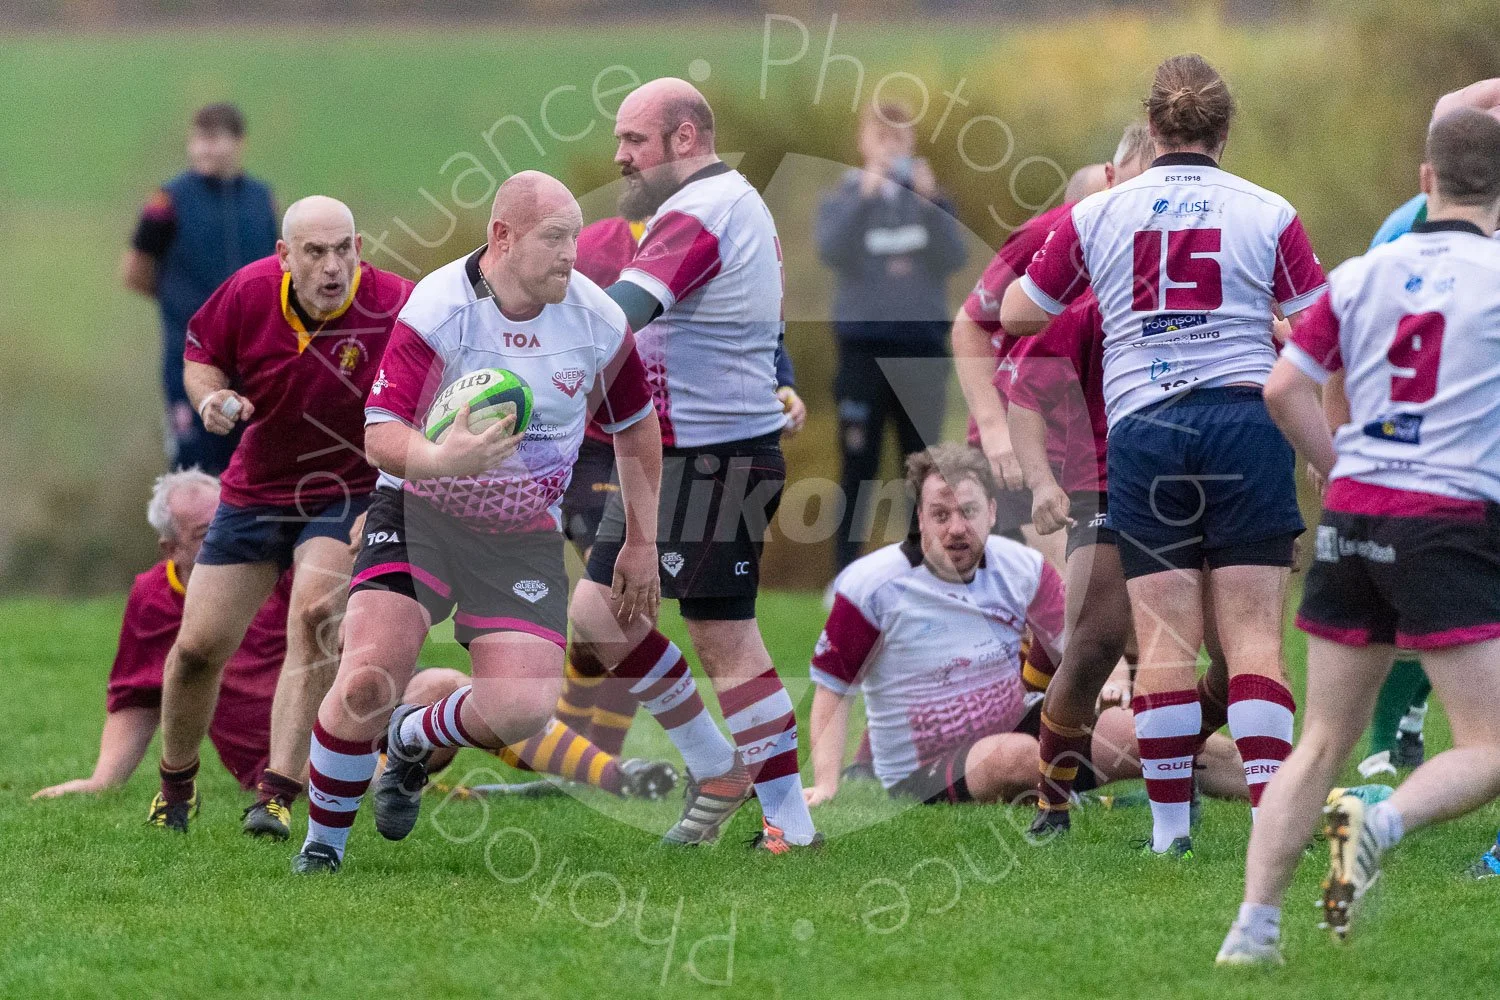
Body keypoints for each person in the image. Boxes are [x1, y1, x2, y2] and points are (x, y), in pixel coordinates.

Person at [1002, 54, 1328, 857]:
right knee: (1252, 637)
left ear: (1151, 126)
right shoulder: (1270, 210)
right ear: (1227, 128)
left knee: (1167, 641)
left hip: (1145, 429)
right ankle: (1267, 824)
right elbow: (1322, 332)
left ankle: (1168, 836)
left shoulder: (1100, 214)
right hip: (1245, 422)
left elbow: (1016, 315)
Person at [291, 170, 662, 874]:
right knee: (369, 677)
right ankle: (323, 850)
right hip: (418, 510)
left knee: (520, 709)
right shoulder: (440, 307)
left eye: (575, 239)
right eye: (554, 239)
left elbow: (638, 434)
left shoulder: (597, 318)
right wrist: (438, 456)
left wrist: (639, 544)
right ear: (502, 237)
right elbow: (380, 435)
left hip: (520, 533)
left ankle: (411, 738)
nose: (570, 255)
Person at [1218, 109, 1500, 964]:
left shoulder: (1359, 276)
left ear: (1426, 180)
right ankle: (1380, 821)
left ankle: (1251, 932)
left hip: (1353, 517)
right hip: (1445, 524)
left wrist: (1337, 464)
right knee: (1488, 746)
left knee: (1322, 741)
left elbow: (1283, 388)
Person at [567, 78, 821, 854]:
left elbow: (622, 315)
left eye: (633, 140)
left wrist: (525, 320)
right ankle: (718, 767)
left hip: (716, 457)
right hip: (672, 454)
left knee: (724, 640)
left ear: (685, 139)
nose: (619, 156)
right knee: (600, 613)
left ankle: (790, 822)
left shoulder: (704, 209)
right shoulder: (713, 204)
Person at [149, 196, 412, 841]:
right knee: (198, 650)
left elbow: (435, 392)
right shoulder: (249, 291)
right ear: (285, 256)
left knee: (316, 612)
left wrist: (390, 497)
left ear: (359, 247)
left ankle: (277, 793)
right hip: (256, 489)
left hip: (347, 489)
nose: (333, 267)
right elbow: (200, 355)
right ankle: (175, 787)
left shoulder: (397, 305)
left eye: (344, 249)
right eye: (316, 252)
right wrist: (211, 399)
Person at [803, 443, 1245, 807]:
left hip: (1018, 718)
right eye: (941, 515)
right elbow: (832, 689)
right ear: (919, 518)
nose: (957, 528)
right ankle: (1084, 798)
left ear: (992, 512)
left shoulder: (1021, 566)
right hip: (923, 764)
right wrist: (826, 783)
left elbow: (1080, 641)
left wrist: (1115, 683)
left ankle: (1274, 790)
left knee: (1145, 731)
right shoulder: (872, 584)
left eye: (969, 512)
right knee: (1016, 757)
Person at [550, 213, 806, 760]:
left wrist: (782, 384)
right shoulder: (597, 244)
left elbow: (757, 330)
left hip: (681, 450)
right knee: (610, 602)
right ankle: (580, 741)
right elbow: (558, 324)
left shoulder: (719, 236)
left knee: (631, 612)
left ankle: (607, 749)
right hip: (597, 443)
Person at [1005, 290, 1235, 834]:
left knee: (1234, 662)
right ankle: (1053, 806)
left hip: (1209, 488)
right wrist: (1041, 483)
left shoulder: (1227, 297)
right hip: (1107, 487)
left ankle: (1175, 752)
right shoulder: (1092, 310)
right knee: (1093, 646)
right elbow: (1025, 397)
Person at [953, 123, 1153, 564]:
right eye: (1132, 187)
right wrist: (992, 427)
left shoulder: (1165, 243)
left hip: (1105, 448)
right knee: (1067, 599)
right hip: (1029, 440)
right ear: (1110, 177)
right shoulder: (1048, 233)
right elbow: (969, 325)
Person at [34, 471, 284, 799]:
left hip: (329, 750)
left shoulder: (280, 567)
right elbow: (138, 694)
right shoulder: (152, 596)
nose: (230, 539)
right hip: (264, 777)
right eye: (208, 534)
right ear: (171, 548)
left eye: (231, 521)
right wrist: (103, 781)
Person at [816, 100, 967, 574]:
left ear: (912, 142)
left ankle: (920, 566)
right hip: (862, 351)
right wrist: (865, 197)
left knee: (921, 467)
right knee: (856, 464)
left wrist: (935, 201)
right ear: (864, 141)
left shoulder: (929, 199)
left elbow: (954, 256)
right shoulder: (844, 198)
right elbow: (832, 251)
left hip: (921, 350)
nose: (890, 147)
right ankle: (844, 575)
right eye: (881, 137)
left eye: (898, 138)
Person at [122, 103, 277, 475]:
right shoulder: (168, 201)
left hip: (255, 361)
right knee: (195, 468)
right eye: (198, 140)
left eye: (215, 140)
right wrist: (182, 304)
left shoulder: (261, 199)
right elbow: (134, 271)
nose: (204, 150)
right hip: (188, 358)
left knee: (254, 467)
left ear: (239, 142)